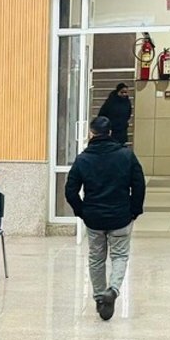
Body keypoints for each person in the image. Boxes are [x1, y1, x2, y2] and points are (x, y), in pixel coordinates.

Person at [64, 115, 146, 320]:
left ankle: (100, 297)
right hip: (121, 215)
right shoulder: (126, 156)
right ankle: (114, 290)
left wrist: (81, 211)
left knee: (96, 258)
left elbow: (70, 190)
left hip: (94, 217)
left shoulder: (83, 159)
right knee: (119, 256)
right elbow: (139, 184)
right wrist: (134, 210)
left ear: (91, 133)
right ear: (110, 133)